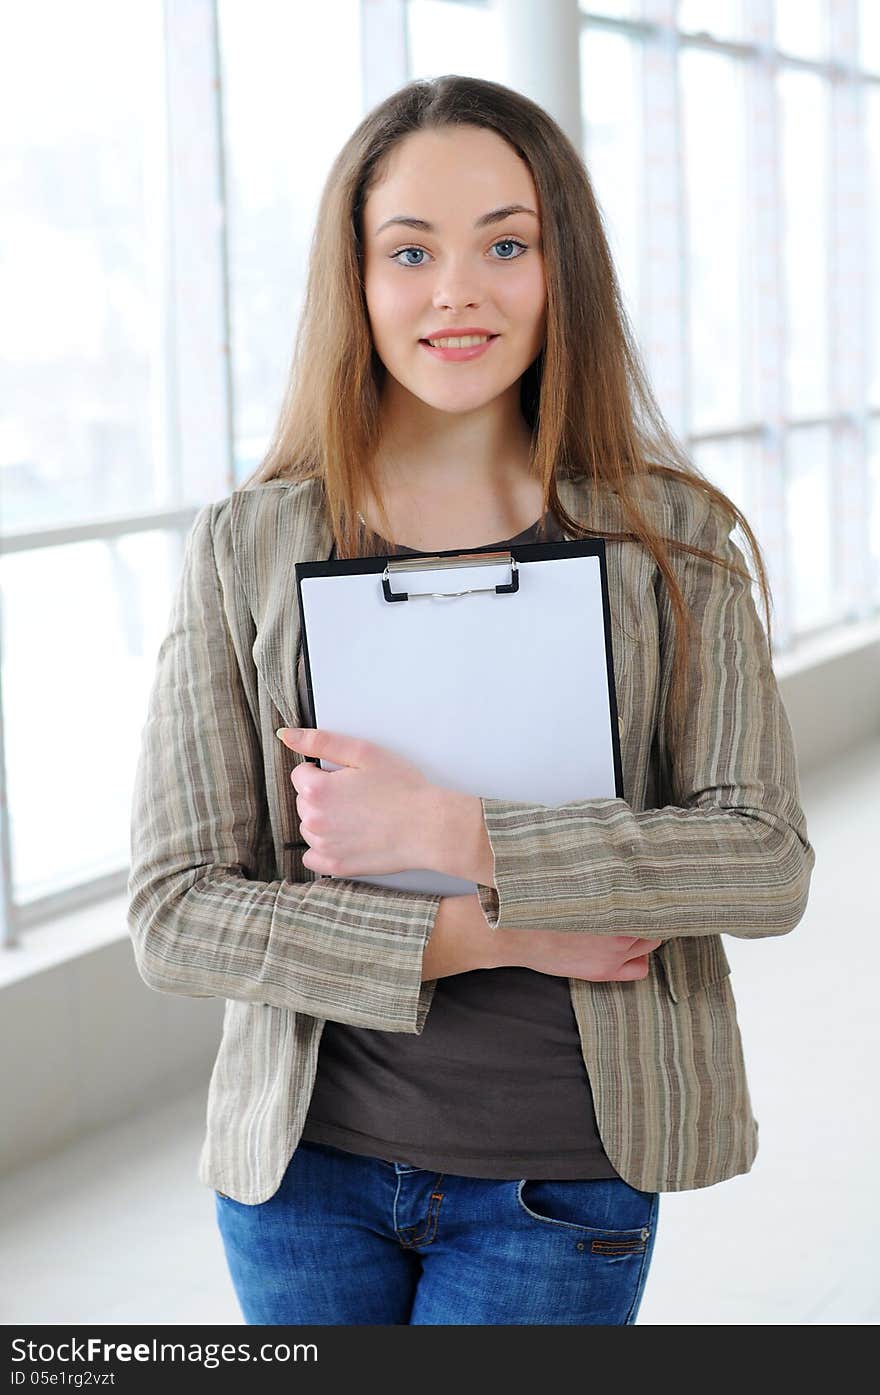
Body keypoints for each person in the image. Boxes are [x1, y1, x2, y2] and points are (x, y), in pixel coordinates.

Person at [126, 74, 816, 1327]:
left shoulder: (675, 542)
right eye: (410, 251)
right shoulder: (246, 547)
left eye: (507, 243)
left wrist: (458, 835)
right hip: (302, 1183)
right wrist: (490, 931)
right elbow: (175, 914)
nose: (457, 290)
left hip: (557, 1185)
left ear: (566, 273)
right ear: (357, 281)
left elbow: (763, 864)